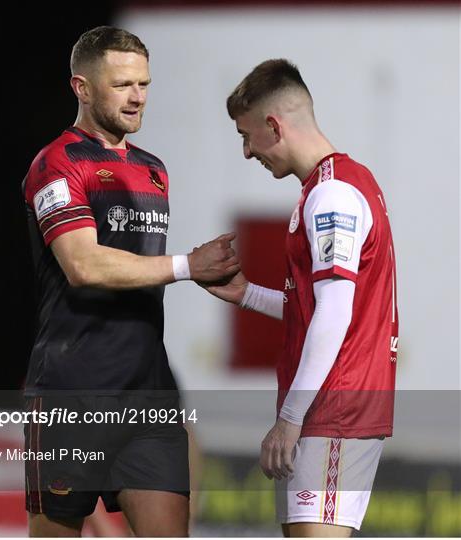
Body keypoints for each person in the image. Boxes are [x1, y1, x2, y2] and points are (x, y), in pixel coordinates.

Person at [22, 26, 239, 538]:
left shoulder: (154, 169)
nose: (137, 96)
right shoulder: (56, 163)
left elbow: (141, 267)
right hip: (73, 390)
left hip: (149, 393)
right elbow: (84, 265)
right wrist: (188, 266)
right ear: (82, 88)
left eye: (144, 83)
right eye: (122, 85)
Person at [203, 59, 398, 537]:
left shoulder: (331, 195)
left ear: (274, 126)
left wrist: (291, 418)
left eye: (246, 136)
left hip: (333, 410)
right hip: (328, 409)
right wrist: (247, 295)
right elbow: (317, 309)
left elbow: (335, 311)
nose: (247, 152)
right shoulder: (339, 185)